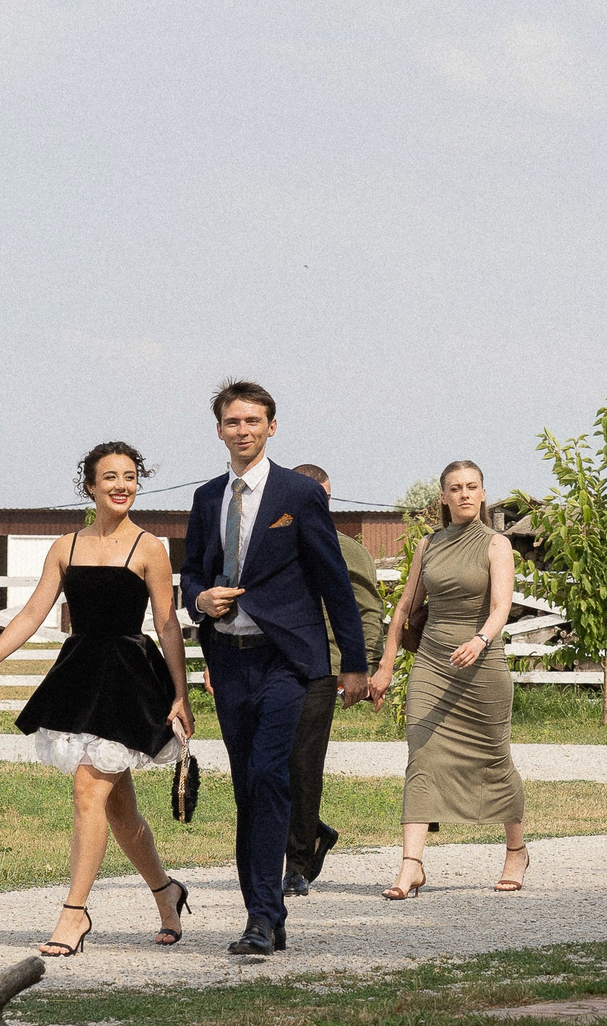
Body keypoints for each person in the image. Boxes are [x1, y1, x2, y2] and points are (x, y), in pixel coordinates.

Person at [0, 442, 195, 957]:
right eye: (110, 476)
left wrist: (181, 694)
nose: (121, 485)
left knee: (88, 790)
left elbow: (165, 623)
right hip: (81, 679)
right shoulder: (64, 547)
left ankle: (74, 913)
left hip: (130, 682)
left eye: (130, 476)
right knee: (119, 812)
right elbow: (31, 613)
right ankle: (167, 892)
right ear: (89, 486)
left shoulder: (150, 548)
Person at [177, 381, 367, 957]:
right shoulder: (209, 498)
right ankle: (267, 913)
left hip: (289, 661)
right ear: (219, 430)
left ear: (272, 427)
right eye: (233, 422)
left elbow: (336, 582)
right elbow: (189, 571)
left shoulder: (297, 495)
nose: (243, 430)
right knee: (246, 788)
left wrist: (354, 664)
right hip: (230, 663)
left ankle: (262, 918)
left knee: (268, 776)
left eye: (253, 421)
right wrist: (199, 600)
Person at [368, 460, 528, 898]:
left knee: (494, 758)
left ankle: (516, 849)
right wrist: (385, 665)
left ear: (482, 493)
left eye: (471, 487)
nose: (463, 494)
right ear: (443, 496)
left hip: (482, 665)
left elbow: (501, 607)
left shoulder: (496, 544)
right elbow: (403, 610)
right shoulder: (429, 544)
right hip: (434, 666)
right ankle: (411, 867)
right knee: (421, 757)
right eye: (455, 488)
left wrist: (480, 640)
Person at [284, 463, 385, 897]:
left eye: (318, 495)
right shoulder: (272, 543)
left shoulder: (346, 548)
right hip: (269, 662)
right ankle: (316, 831)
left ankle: (297, 865)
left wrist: (362, 664)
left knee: (303, 763)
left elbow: (366, 608)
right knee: (264, 763)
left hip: (323, 665)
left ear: (328, 498)